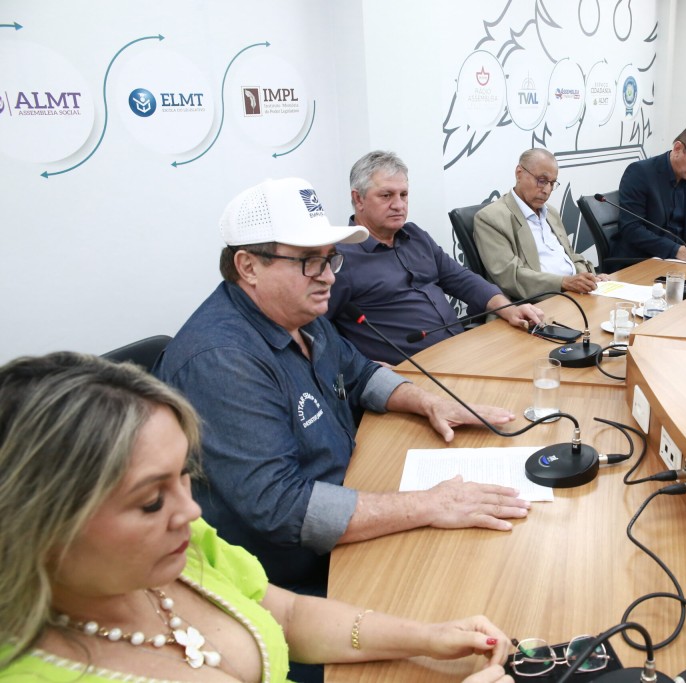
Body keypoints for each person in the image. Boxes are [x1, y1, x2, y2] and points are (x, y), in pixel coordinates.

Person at [0, 352, 513, 683]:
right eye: (151, 500)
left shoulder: (176, 548)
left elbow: (286, 617)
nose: (191, 512)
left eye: (184, 475)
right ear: (39, 523)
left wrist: (426, 637)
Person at [155, 177, 530, 605]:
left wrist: (428, 402)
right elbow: (282, 508)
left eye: (330, 259)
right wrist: (427, 505)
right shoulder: (222, 361)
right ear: (248, 267)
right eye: (309, 261)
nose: (329, 277)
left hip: (348, 505)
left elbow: (359, 372)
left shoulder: (300, 313)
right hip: (291, 580)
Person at [328, 151, 545, 365]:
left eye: (403, 195)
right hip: (411, 374)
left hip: (463, 352)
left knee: (539, 363)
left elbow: (461, 279)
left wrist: (509, 309)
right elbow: (319, 332)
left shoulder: (415, 236)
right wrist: (366, 369)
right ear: (358, 199)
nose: (399, 205)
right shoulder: (339, 259)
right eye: (386, 196)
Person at [474, 148, 607, 300]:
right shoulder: (491, 218)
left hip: (575, 294)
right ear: (519, 173)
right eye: (542, 181)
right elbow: (510, 276)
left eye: (552, 183)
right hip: (536, 304)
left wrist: (589, 278)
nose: (547, 190)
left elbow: (571, 256)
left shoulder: (551, 212)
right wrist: (564, 283)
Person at [610, 122, 686, 263]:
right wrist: (676, 250)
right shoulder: (640, 173)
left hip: (678, 262)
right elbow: (632, 228)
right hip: (640, 261)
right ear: (678, 148)